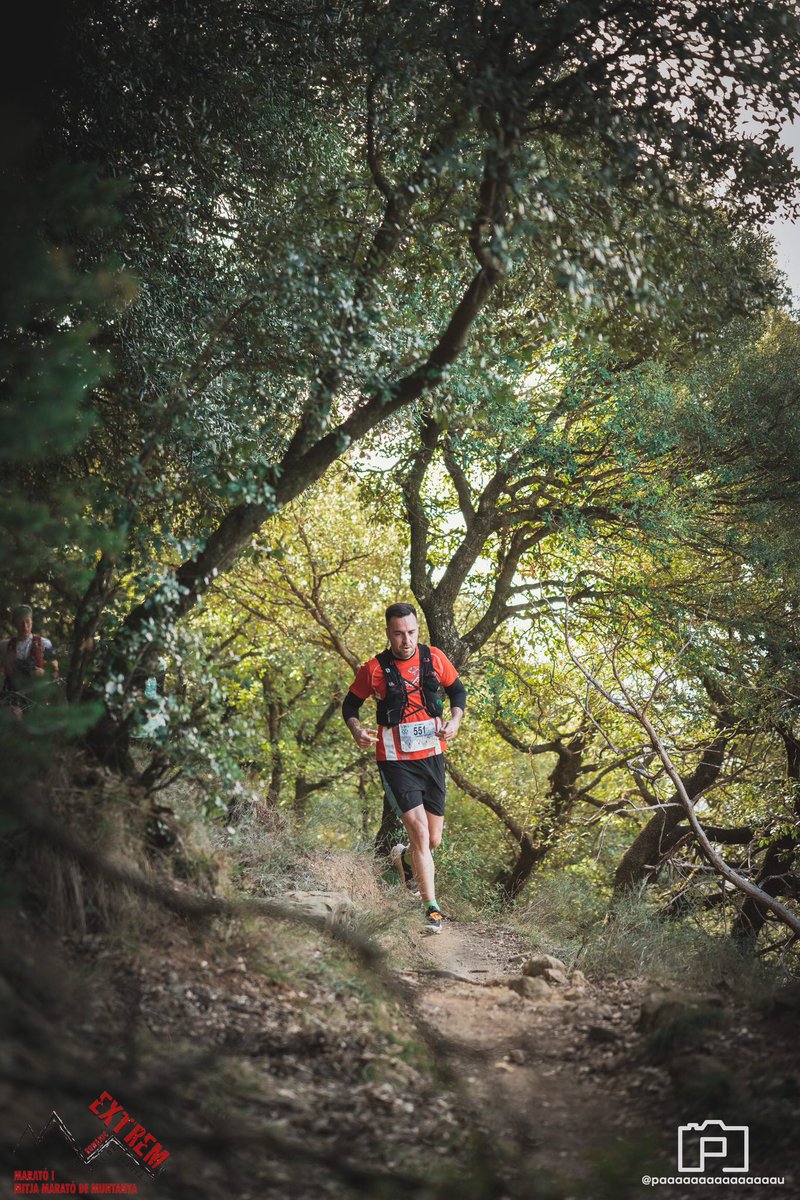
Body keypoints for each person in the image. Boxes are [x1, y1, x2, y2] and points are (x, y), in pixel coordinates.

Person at [342, 602, 466, 932]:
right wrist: (357, 730)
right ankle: (431, 908)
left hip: (432, 756)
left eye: (411, 632)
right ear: (388, 634)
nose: (405, 640)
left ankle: (405, 861)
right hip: (395, 759)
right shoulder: (374, 669)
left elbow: (457, 691)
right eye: (398, 634)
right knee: (420, 832)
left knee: (433, 840)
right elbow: (350, 704)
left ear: (417, 631)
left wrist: (454, 721)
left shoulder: (435, 658)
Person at [1, 605, 59, 716]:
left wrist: (43, 673)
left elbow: (55, 672)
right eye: (21, 622)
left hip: (36, 698)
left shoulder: (44, 644)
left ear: (32, 621)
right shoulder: (5, 646)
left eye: (28, 621)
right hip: (13, 697)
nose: (25, 626)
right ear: (15, 624)